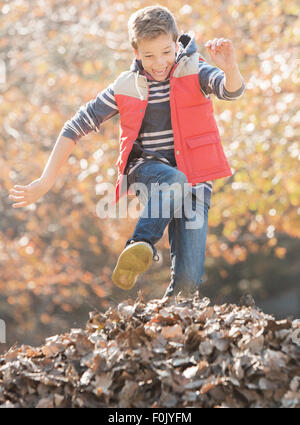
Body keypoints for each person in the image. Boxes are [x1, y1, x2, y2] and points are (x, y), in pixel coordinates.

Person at [8, 5, 245, 298]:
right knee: (173, 180)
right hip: (148, 171)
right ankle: (139, 245)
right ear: (135, 52)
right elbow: (74, 126)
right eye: (148, 56)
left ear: (176, 43)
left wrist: (230, 68)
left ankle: (172, 326)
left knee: (188, 282)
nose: (159, 63)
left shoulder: (195, 70)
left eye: (166, 52)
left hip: (197, 182)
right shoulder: (126, 86)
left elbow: (230, 91)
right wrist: (45, 180)